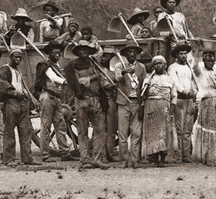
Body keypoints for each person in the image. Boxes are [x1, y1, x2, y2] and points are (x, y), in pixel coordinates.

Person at [65, 39, 112, 169]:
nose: (84, 52)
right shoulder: (72, 65)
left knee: (100, 130)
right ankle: (85, 159)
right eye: (82, 50)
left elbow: (102, 78)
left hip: (96, 99)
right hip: (82, 100)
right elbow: (79, 82)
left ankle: (97, 158)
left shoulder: (94, 64)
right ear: (78, 52)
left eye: (86, 50)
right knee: (82, 130)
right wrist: (91, 78)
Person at [0, 48, 38, 166]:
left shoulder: (18, 72)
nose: (18, 59)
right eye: (15, 57)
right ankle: (8, 159)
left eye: (20, 57)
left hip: (22, 103)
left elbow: (23, 88)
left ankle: (27, 158)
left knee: (26, 131)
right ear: (11, 57)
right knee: (9, 131)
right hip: (11, 102)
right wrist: (13, 93)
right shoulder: (4, 70)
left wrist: (31, 99)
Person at [113, 41, 147, 168]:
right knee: (122, 133)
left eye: (134, 52)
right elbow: (117, 78)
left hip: (136, 103)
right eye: (129, 52)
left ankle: (134, 160)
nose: (132, 54)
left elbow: (144, 86)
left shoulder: (141, 67)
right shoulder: (119, 65)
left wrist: (142, 103)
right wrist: (124, 71)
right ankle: (122, 160)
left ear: (137, 54)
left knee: (136, 132)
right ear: (125, 54)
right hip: (123, 102)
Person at [141, 56, 178, 167]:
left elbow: (174, 96)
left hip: (164, 108)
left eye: (160, 63)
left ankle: (162, 159)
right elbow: (143, 95)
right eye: (156, 64)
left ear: (165, 65)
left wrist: (171, 111)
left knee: (164, 133)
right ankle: (155, 159)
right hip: (151, 108)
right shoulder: (149, 79)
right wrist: (147, 84)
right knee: (153, 133)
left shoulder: (170, 80)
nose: (158, 66)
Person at [36, 42, 71, 162]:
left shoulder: (56, 65)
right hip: (47, 97)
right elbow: (53, 78)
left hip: (56, 98)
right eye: (54, 53)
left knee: (61, 125)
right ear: (49, 54)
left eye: (58, 53)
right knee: (46, 126)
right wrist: (66, 82)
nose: (57, 54)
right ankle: (45, 155)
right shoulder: (45, 65)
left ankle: (65, 153)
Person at [167, 43, 197, 163]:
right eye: (181, 53)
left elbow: (192, 81)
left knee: (187, 129)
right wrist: (186, 92)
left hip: (189, 100)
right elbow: (175, 84)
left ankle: (186, 155)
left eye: (185, 53)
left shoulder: (189, 67)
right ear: (176, 55)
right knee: (179, 129)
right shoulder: (172, 67)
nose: (183, 56)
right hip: (179, 99)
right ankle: (178, 155)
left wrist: (194, 91)